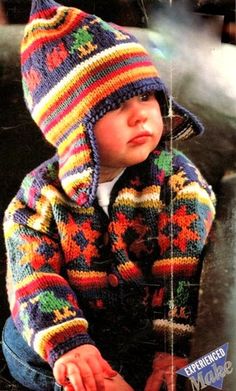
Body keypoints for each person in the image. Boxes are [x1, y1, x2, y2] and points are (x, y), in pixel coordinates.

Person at [2, 0, 216, 390]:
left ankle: (156, 374)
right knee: (19, 335)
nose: (141, 116)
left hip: (149, 330)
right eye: (117, 105)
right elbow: (33, 273)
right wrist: (70, 346)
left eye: (147, 97)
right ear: (72, 127)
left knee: (214, 360)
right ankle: (90, 379)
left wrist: (173, 349)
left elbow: (183, 268)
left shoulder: (176, 180)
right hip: (75, 324)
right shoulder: (38, 196)